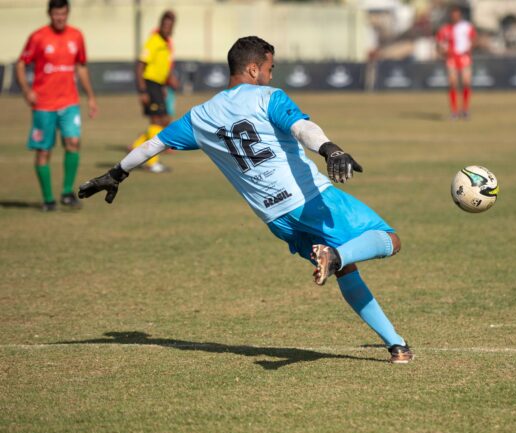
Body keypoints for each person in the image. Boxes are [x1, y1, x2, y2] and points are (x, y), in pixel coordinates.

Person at [78, 36, 414, 365]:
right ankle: (335, 255)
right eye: (269, 67)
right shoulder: (268, 97)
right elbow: (301, 128)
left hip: (276, 220)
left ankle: (396, 344)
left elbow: (154, 144)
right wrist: (331, 149)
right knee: (391, 240)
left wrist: (116, 173)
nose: (271, 75)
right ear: (253, 69)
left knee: (346, 267)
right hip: (309, 198)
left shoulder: (201, 116)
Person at [16, 0, 97, 211]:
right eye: (55, 14)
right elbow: (21, 63)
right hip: (43, 104)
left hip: (69, 101)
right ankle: (48, 199)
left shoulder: (76, 36)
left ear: (68, 13)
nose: (59, 18)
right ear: (49, 14)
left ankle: (67, 193)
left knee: (73, 141)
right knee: (44, 152)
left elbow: (81, 67)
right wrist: (26, 90)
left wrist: (90, 97)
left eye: (63, 13)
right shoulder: (38, 37)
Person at [134, 10, 176, 173]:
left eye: (170, 25)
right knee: (157, 122)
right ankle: (152, 162)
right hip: (150, 85)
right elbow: (140, 65)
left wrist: (165, 85)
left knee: (164, 121)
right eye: (165, 24)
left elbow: (162, 68)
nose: (167, 28)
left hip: (158, 86)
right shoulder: (154, 41)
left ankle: (136, 149)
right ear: (160, 25)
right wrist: (142, 90)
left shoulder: (166, 43)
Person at [436, 6, 476, 120]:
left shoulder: (466, 26)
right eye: (453, 15)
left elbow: (473, 39)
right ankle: (454, 111)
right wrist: (442, 52)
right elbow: (439, 43)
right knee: (452, 83)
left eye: (457, 15)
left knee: (466, 82)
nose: (455, 17)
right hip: (451, 58)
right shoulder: (445, 28)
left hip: (464, 56)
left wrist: (470, 48)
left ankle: (465, 110)